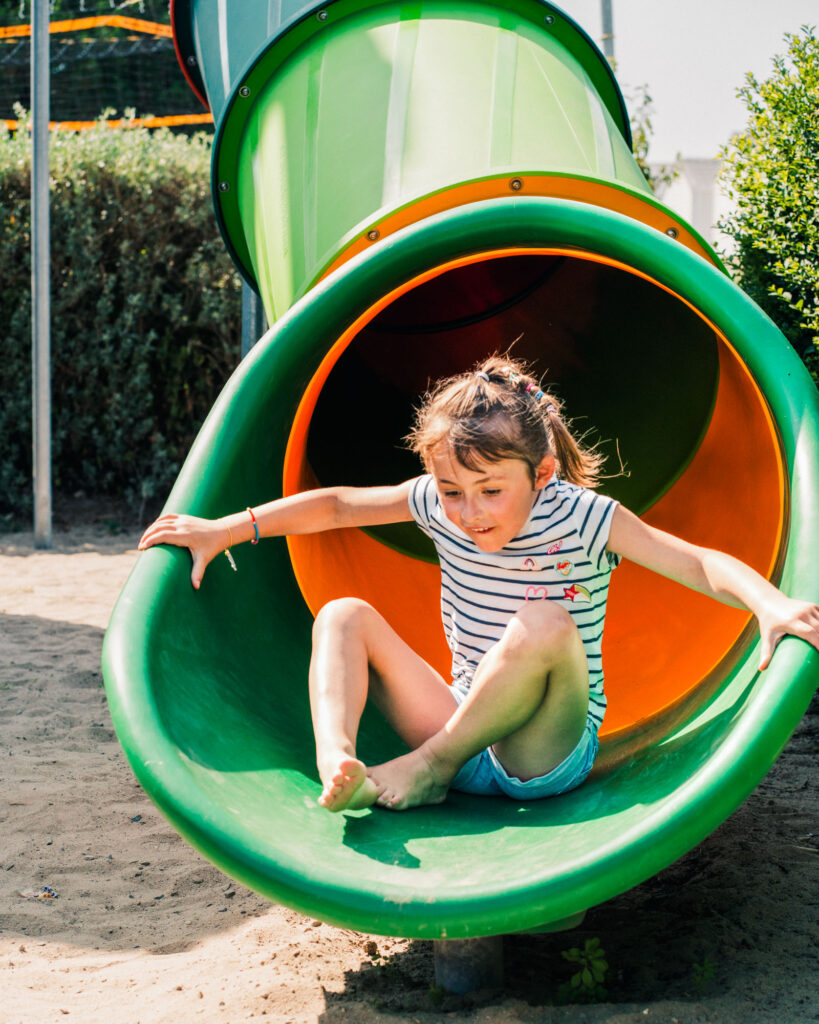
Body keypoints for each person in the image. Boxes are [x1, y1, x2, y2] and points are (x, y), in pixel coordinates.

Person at [138, 355, 819, 814]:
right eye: (452, 491)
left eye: (491, 491)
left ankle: (428, 767)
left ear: (541, 474)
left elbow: (695, 560)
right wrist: (226, 527)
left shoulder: (582, 515)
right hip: (462, 718)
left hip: (539, 749)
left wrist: (771, 602)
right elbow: (340, 505)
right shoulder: (440, 504)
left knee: (545, 622)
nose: (467, 513)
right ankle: (338, 765)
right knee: (342, 613)